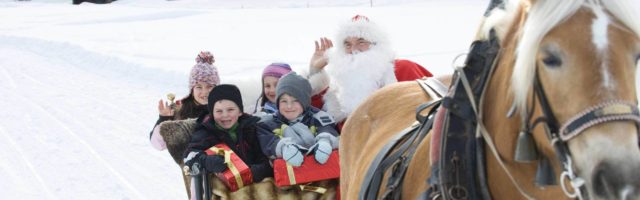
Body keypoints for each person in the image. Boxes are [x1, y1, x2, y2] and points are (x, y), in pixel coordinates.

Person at [306, 15, 433, 125]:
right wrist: (315, 70)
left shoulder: (403, 69)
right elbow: (311, 114)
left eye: (361, 42)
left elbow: (434, 107)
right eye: (347, 44)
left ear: (376, 44)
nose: (353, 49)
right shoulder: (341, 82)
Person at [183, 84, 273, 187]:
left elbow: (265, 157)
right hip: (223, 188)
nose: (225, 115)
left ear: (240, 112)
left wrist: (256, 171)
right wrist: (208, 162)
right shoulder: (206, 132)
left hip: (254, 184)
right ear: (212, 113)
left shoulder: (251, 128)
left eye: (230, 110)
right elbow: (189, 156)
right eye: (219, 111)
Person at [257, 72, 339, 167]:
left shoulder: (318, 117)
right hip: (289, 175)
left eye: (295, 101)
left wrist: (325, 141)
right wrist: (284, 148)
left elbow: (328, 129)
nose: (289, 106)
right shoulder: (268, 123)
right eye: (284, 101)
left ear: (304, 102)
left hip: (321, 172)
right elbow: (268, 142)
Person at [149, 51, 219, 151]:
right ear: (192, 89)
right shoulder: (179, 110)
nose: (205, 92)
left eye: (209, 86)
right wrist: (164, 119)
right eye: (199, 87)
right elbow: (158, 145)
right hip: (189, 164)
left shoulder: (222, 107)